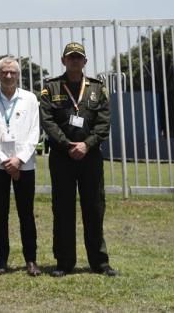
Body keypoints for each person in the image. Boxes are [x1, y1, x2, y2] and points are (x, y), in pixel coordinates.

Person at [39, 42, 116, 277]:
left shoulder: (97, 88)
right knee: (62, 209)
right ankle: (64, 262)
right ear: (63, 61)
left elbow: (104, 122)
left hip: (90, 157)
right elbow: (47, 120)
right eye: (70, 57)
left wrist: (86, 144)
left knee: (94, 208)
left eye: (78, 57)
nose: (74, 61)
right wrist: (67, 144)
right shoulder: (51, 88)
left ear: (85, 61)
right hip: (62, 158)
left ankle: (99, 262)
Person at [0, 55, 41, 276]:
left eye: (12, 72)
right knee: (0, 214)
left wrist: (19, 159)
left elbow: (35, 132)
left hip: (24, 165)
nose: (8, 75)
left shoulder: (30, 99)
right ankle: (1, 259)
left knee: (27, 214)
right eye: (4, 72)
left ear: (18, 75)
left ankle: (31, 260)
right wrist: (5, 160)